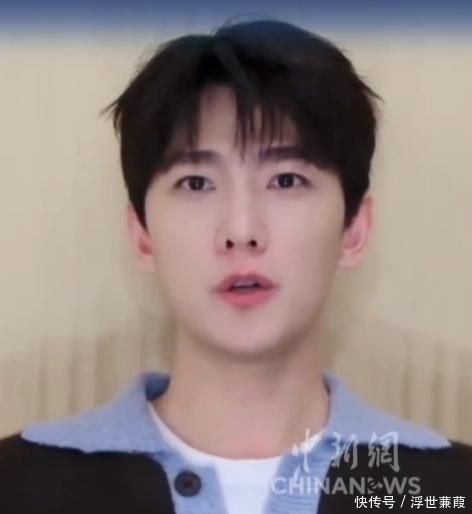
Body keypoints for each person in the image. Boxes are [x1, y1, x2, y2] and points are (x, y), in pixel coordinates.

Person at [0, 17, 470, 514]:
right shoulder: (18, 484)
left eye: (286, 180)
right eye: (196, 183)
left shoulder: (448, 490)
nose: (241, 230)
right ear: (141, 234)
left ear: (354, 229)